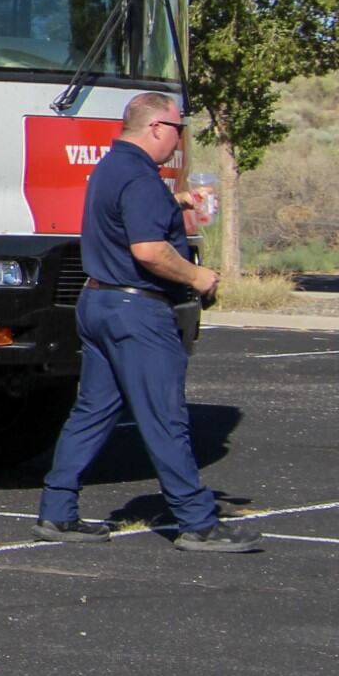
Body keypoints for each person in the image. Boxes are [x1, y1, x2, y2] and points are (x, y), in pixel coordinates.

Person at [35, 92, 260, 553]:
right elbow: (149, 251)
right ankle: (197, 521)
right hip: (136, 312)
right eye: (178, 129)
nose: (179, 139)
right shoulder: (138, 178)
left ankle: (57, 511)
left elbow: (126, 218)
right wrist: (199, 276)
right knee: (165, 417)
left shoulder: (111, 169)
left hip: (98, 303)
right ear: (157, 127)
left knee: (93, 412)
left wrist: (176, 200)